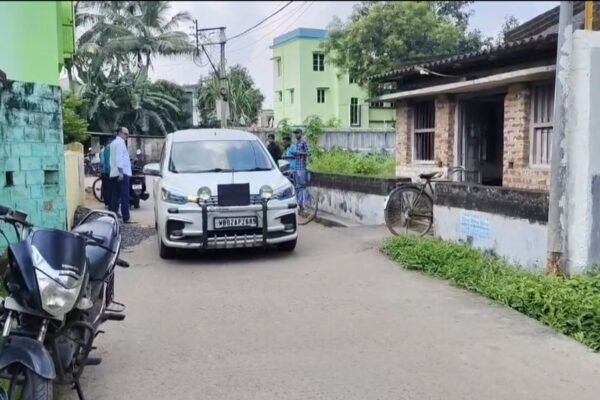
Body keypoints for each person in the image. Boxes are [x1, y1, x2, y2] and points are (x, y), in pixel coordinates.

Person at [109, 127, 132, 223]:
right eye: (126, 134)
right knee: (124, 196)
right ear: (120, 133)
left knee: (115, 196)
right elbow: (119, 158)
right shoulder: (120, 143)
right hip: (122, 173)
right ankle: (126, 217)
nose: (127, 136)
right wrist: (121, 173)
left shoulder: (113, 143)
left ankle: (112, 217)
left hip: (114, 173)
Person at [291, 128, 309, 208]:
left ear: (301, 133)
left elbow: (308, 152)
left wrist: (299, 153)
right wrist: (294, 154)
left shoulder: (303, 142)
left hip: (302, 166)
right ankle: (300, 202)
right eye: (295, 133)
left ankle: (305, 203)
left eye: (297, 133)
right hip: (297, 166)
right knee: (299, 186)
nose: (296, 135)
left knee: (303, 186)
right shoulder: (296, 143)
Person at [100, 134, 115, 208]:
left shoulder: (104, 150)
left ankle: (107, 203)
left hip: (104, 171)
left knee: (106, 188)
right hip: (108, 171)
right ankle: (110, 204)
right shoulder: (110, 149)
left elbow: (102, 162)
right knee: (110, 189)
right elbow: (106, 162)